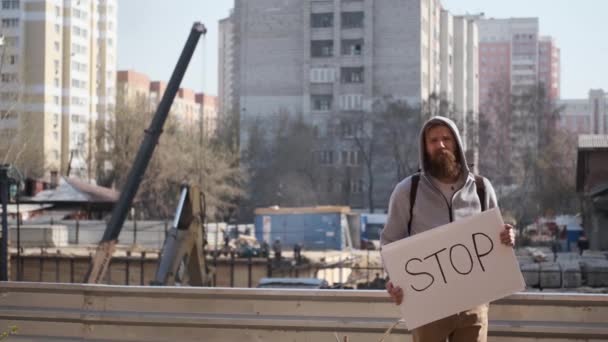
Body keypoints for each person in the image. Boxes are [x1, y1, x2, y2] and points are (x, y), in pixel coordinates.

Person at [380, 116, 515, 342]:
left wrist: (508, 237)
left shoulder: (482, 188)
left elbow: (497, 237)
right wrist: (393, 279)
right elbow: (389, 242)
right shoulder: (408, 191)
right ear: (424, 148)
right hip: (428, 307)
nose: (440, 145)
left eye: (446, 139)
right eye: (433, 140)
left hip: (474, 304)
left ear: (457, 144)